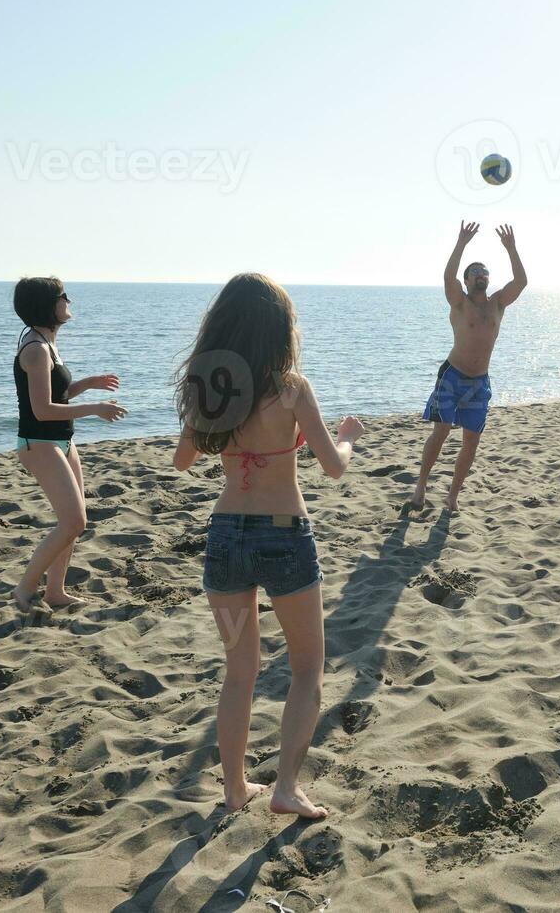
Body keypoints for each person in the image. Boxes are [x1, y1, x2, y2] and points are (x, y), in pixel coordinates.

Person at [173, 273, 364, 816]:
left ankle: (235, 791)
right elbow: (332, 467)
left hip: (226, 539)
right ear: (281, 330)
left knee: (239, 672)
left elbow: (182, 461)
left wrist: (209, 416)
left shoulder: (211, 389)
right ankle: (284, 788)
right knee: (306, 669)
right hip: (285, 540)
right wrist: (348, 437)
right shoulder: (292, 388)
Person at [11, 278, 127, 612]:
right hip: (39, 443)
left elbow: (55, 396)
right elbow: (42, 410)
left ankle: (55, 592)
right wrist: (95, 409)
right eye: (62, 296)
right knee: (74, 522)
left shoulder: (46, 342)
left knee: (74, 522)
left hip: (62, 440)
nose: (68, 300)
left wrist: (87, 385)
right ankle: (24, 589)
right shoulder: (34, 349)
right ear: (47, 304)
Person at [411, 221, 528, 512]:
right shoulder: (460, 303)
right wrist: (461, 243)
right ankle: (421, 487)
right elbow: (447, 276)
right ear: (466, 281)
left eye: (484, 271)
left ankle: (452, 496)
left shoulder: (498, 303)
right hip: (452, 376)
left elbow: (521, 282)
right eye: (474, 272)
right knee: (441, 431)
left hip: (479, 382)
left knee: (471, 442)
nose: (480, 274)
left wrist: (511, 249)